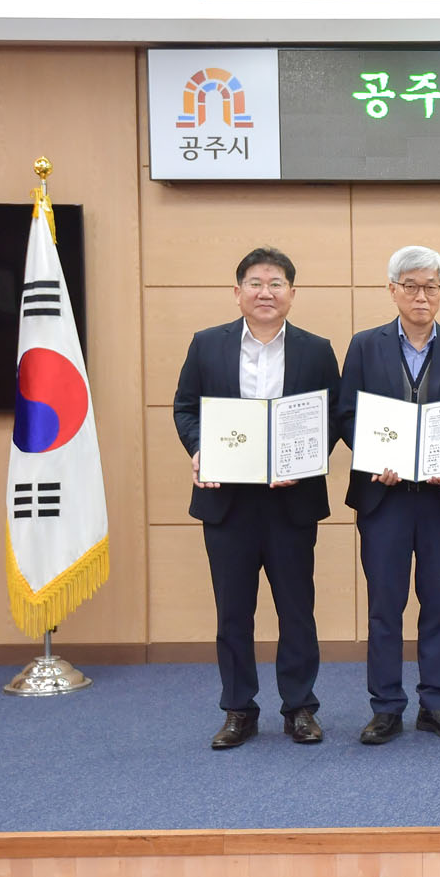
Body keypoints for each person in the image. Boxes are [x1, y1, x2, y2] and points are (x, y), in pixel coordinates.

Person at [173, 247, 341, 750]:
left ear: (292, 293)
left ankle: (300, 707)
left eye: (276, 283)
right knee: (233, 612)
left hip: (292, 502)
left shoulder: (316, 350)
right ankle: (238, 709)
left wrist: (303, 461)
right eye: (255, 283)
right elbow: (185, 408)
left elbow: (333, 417)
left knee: (297, 609)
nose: (265, 292)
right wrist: (200, 449)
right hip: (228, 502)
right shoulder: (207, 344)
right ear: (237, 292)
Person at [336, 245, 440, 745]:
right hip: (384, 496)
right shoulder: (365, 345)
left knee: (438, 603)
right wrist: (374, 456)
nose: (422, 296)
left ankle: (436, 703)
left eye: (431, 287)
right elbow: (347, 414)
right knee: (385, 605)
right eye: (411, 286)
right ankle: (385, 707)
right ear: (393, 290)